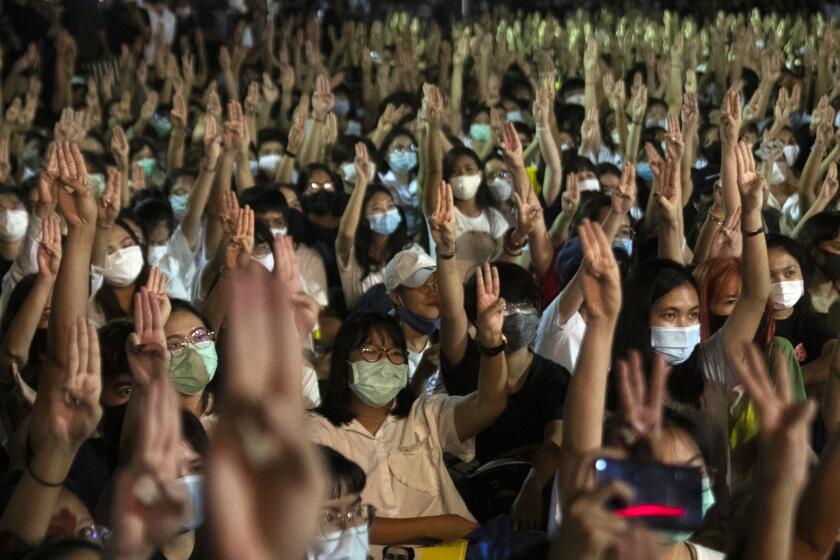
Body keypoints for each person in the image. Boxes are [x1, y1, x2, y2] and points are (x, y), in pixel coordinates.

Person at [307, 270, 509, 548]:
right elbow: (331, 522)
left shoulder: (424, 414)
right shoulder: (318, 431)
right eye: (371, 352)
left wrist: (491, 342)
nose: (385, 361)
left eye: (394, 353)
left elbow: (489, 405)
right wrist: (434, 526)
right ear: (345, 362)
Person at [336, 143, 414, 308]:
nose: (386, 212)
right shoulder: (351, 254)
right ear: (363, 219)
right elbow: (346, 234)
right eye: (377, 209)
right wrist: (361, 183)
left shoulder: (410, 251)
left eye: (390, 206)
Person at [383, 248, 441, 394]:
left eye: (436, 283)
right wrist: (421, 376)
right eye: (422, 285)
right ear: (396, 297)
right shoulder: (381, 351)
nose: (433, 292)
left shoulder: (447, 337)